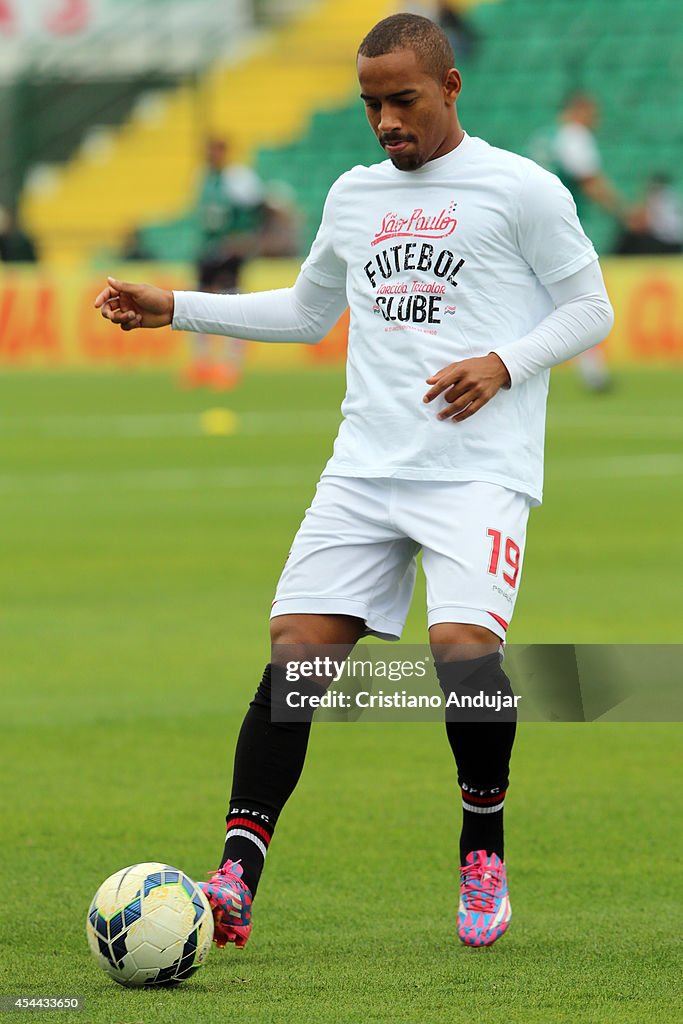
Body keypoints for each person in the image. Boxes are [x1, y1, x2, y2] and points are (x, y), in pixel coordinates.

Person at [95, 13, 614, 950]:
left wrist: (502, 360)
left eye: (402, 100)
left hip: (475, 472)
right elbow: (305, 311)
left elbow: (590, 307)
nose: (384, 122)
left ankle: (481, 849)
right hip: (365, 468)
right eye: (370, 104)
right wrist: (174, 308)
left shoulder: (521, 189)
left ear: (450, 88)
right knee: (295, 652)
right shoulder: (353, 195)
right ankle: (234, 879)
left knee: (461, 652)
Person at [185, 136, 298, 390]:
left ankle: (231, 364)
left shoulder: (239, 179)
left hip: (230, 250)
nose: (211, 155)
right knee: (197, 301)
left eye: (215, 149)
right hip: (208, 250)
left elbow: (262, 208)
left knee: (232, 303)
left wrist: (251, 239)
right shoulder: (202, 178)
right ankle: (202, 364)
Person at [535, 92, 626, 392]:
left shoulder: (543, 137)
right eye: (591, 114)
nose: (594, 122)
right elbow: (589, 180)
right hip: (562, 227)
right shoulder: (573, 136)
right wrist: (622, 211)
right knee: (583, 298)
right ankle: (594, 374)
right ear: (579, 111)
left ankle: (591, 372)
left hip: (534, 226)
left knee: (547, 299)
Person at [615, 173, 683, 256]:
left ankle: (618, 261)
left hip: (664, 244)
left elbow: (641, 222)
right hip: (675, 244)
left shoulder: (658, 197)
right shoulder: (672, 197)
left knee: (630, 236)